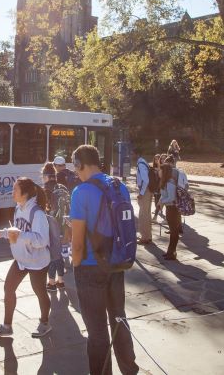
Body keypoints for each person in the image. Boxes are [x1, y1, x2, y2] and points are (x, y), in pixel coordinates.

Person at [70, 144, 139, 375]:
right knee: (119, 319)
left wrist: (75, 264)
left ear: (79, 164)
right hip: (117, 262)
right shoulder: (118, 186)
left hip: (90, 267)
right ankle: (130, 369)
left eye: (75, 167)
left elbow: (77, 242)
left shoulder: (80, 192)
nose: (75, 172)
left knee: (97, 331)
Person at [0, 177, 52, 338]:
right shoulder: (18, 208)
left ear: (25, 193)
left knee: (40, 292)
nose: (12, 192)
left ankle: (45, 323)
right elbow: (15, 231)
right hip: (21, 259)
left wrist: (20, 234)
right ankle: (7, 326)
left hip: (37, 261)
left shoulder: (37, 213)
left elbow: (42, 240)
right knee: (8, 289)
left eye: (15, 189)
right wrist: (3, 233)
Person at [42, 162, 67, 290]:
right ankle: (61, 280)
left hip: (50, 224)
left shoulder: (45, 189)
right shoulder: (62, 187)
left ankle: (51, 282)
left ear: (45, 175)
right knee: (59, 253)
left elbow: (41, 209)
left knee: (52, 254)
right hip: (62, 224)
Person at [158, 163, 180, 260]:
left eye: (160, 170)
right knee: (172, 231)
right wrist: (160, 202)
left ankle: (172, 252)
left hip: (173, 209)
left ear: (164, 171)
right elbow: (164, 195)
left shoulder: (170, 182)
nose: (158, 171)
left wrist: (162, 201)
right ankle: (170, 252)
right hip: (169, 208)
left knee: (174, 232)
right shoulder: (165, 181)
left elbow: (172, 198)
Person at [135, 147, 153, 245]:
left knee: (143, 215)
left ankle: (144, 237)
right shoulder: (144, 162)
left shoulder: (141, 164)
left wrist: (141, 193)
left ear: (136, 154)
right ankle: (148, 236)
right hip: (147, 191)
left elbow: (145, 180)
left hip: (145, 191)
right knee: (147, 213)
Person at [151, 154, 164, 222]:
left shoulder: (163, 167)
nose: (157, 161)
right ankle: (158, 210)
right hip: (155, 186)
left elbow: (160, 176)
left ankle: (155, 216)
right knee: (156, 201)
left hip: (161, 187)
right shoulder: (154, 167)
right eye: (155, 159)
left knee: (159, 201)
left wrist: (158, 167)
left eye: (158, 159)